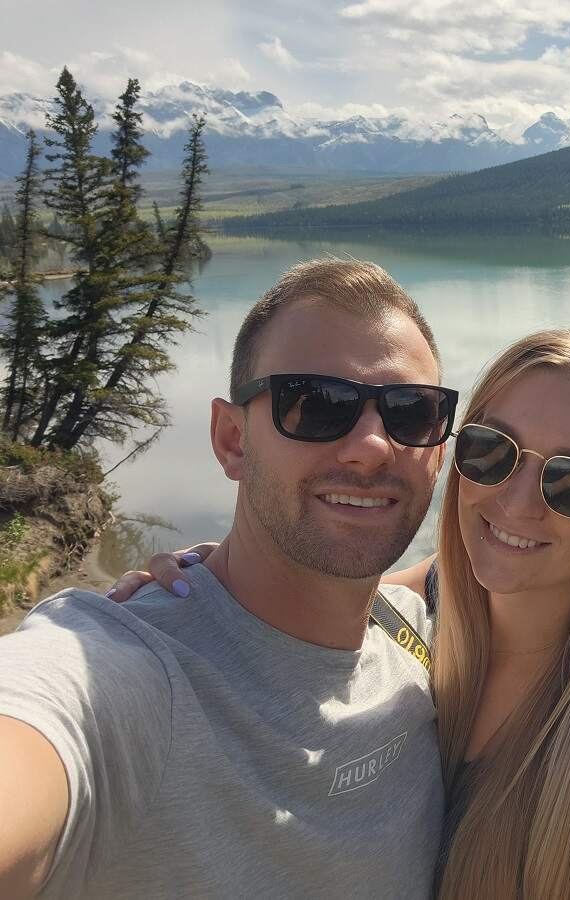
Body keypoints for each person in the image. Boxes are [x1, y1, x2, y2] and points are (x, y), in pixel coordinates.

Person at [118, 330, 570, 899]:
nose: (517, 502)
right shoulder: (438, 603)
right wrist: (218, 578)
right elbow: (325, 595)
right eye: (491, 452)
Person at [0, 259, 454, 897]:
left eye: (411, 411)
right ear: (232, 438)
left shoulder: (417, 635)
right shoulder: (128, 676)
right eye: (318, 404)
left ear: (437, 453)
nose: (372, 446)